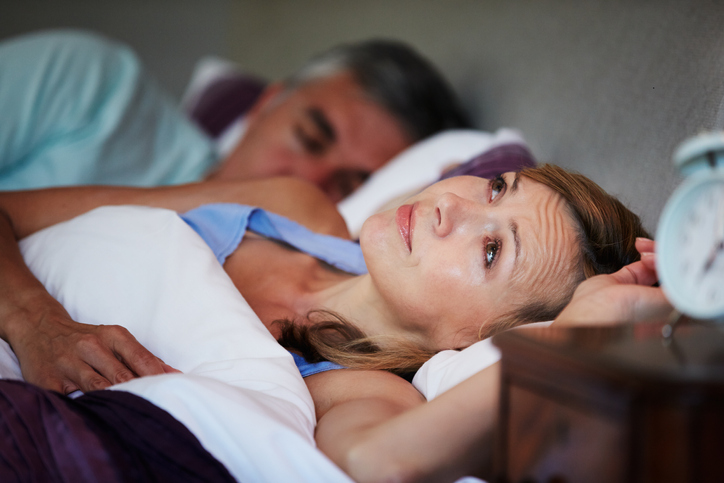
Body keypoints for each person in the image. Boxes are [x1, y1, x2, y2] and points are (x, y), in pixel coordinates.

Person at [0, 165, 668, 481]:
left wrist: (577, 341)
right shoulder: (290, 206)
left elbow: (380, 462)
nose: (453, 209)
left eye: (491, 250)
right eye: (498, 187)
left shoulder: (367, 391)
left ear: (480, 339)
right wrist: (34, 320)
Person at [0, 30, 471, 202]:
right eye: (308, 137)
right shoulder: (91, 82)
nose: (305, 183)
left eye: (349, 188)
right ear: (266, 104)